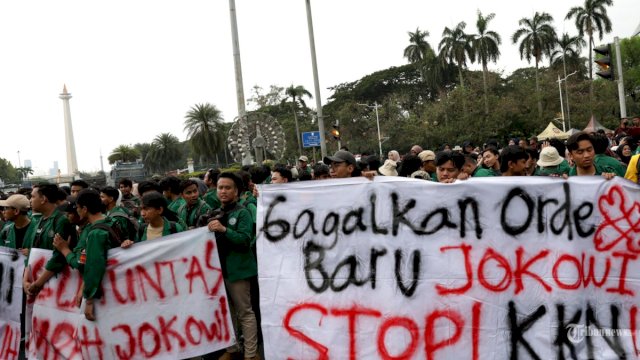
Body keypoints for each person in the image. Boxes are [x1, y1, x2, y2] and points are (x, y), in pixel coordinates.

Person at [207, 172, 259, 360]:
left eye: (228, 188)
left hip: (238, 271)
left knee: (244, 312)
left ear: (237, 191)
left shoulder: (242, 212)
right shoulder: (214, 213)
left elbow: (245, 240)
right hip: (219, 272)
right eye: (220, 187)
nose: (223, 191)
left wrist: (224, 230)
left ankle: (251, 354)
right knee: (226, 313)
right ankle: (232, 349)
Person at [52, 189, 116, 321]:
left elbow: (88, 266)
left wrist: (64, 250)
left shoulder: (95, 234)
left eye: (78, 208)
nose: (76, 211)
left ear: (85, 209)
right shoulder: (113, 221)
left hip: (105, 295)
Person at [23, 184, 77, 297]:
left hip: (56, 285)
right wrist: (26, 279)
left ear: (43, 199)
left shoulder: (61, 221)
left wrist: (38, 283)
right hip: (36, 281)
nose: (30, 200)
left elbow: (58, 257)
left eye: (33, 197)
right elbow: (31, 252)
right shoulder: (39, 221)